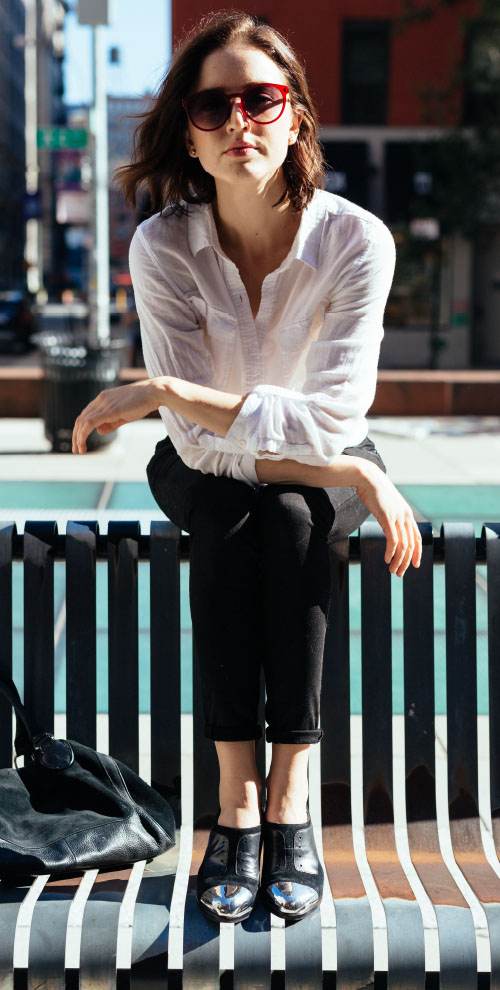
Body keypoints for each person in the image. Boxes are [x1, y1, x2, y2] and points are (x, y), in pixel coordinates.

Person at [72, 10, 422, 926]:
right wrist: (350, 476)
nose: (240, 122)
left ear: (297, 116)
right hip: (215, 468)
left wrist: (162, 390)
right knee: (241, 508)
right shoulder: (163, 246)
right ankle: (238, 804)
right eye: (212, 104)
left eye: (261, 100)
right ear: (186, 128)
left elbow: (338, 419)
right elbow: (199, 450)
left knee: (293, 515)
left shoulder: (356, 241)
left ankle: (285, 799)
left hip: (324, 460)